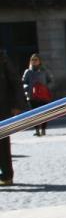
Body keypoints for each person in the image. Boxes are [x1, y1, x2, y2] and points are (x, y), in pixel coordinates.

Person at [0, 49, 21, 185]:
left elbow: (15, 82)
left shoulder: (3, 59)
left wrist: (16, 105)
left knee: (2, 142)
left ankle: (7, 175)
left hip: (2, 107)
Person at [22, 53, 54, 136]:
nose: (34, 61)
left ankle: (43, 129)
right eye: (32, 60)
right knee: (34, 114)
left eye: (36, 59)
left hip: (43, 96)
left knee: (44, 113)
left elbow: (51, 81)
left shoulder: (45, 70)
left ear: (39, 61)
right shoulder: (28, 72)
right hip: (32, 96)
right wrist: (27, 88)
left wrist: (46, 87)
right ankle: (37, 130)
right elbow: (24, 82)